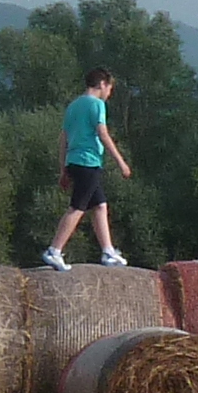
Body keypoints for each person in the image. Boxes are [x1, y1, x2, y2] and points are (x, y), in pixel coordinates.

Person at [41, 67, 132, 271]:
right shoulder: (96, 104)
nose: (109, 93)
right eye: (109, 88)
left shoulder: (73, 106)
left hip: (74, 161)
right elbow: (103, 133)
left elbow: (63, 138)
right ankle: (54, 250)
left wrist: (63, 169)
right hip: (88, 162)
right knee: (77, 208)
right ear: (102, 84)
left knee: (100, 205)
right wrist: (121, 162)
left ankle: (108, 251)